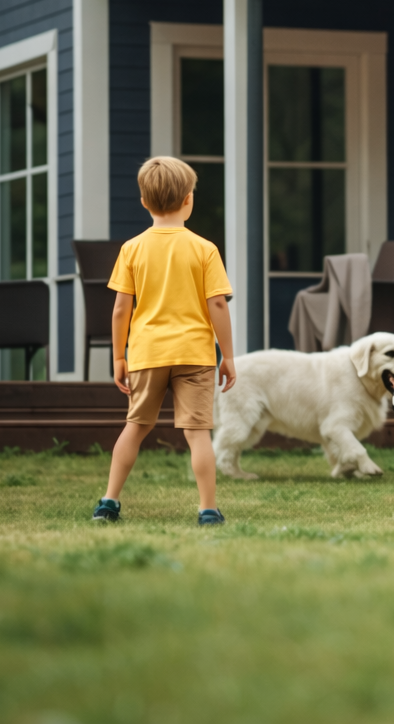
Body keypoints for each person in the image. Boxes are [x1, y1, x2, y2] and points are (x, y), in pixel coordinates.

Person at [92, 156, 237, 526]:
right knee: (197, 433)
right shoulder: (204, 249)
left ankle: (109, 501)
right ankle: (208, 508)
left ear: (143, 202)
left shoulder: (132, 249)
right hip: (194, 353)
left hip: (147, 353)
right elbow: (218, 303)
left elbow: (120, 310)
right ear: (189, 200)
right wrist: (229, 356)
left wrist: (118, 359)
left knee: (136, 427)